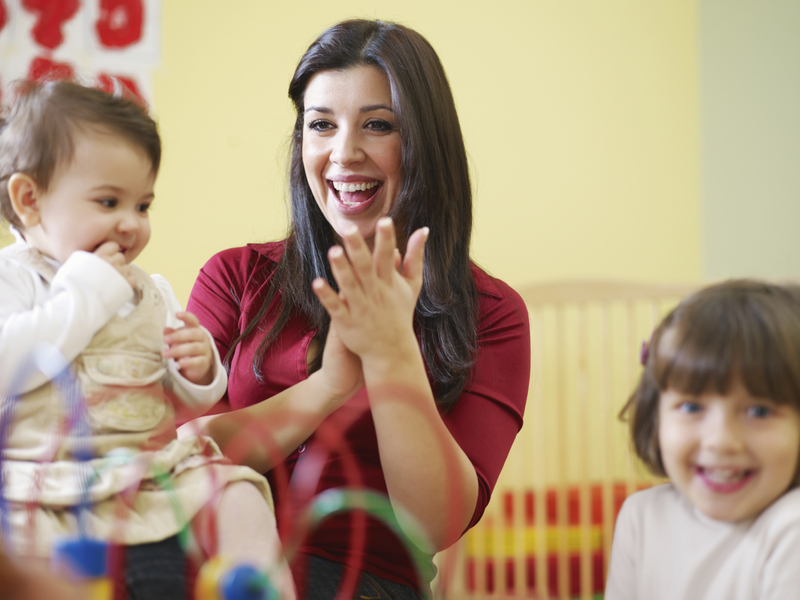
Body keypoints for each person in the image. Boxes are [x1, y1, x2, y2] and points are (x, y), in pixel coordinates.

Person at [182, 18, 531, 600]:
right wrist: (329, 386)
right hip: (214, 565)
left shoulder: (491, 311)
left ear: (424, 142)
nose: (344, 153)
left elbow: (434, 525)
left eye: (378, 125)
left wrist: (394, 352)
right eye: (321, 125)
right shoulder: (237, 276)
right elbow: (179, 463)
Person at [0, 80, 295, 599]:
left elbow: (172, 402)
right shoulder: (15, 279)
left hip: (148, 473)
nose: (131, 224)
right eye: (109, 201)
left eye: (143, 206)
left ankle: (255, 587)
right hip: (44, 486)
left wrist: (198, 369)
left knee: (239, 491)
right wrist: (83, 297)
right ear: (29, 200)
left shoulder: (150, 291)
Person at [606, 280, 800, 600]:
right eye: (692, 407)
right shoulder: (642, 517)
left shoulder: (791, 527)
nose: (721, 441)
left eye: (759, 411)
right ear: (655, 415)